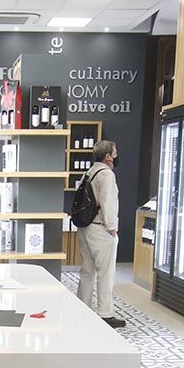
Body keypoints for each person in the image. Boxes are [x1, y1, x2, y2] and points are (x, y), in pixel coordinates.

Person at [77, 140, 125, 329]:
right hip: (100, 228)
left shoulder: (88, 173)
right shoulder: (106, 174)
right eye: (115, 152)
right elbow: (108, 202)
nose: (116, 156)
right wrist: (111, 227)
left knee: (87, 271)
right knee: (106, 273)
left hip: (85, 227)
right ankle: (105, 313)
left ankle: (82, 307)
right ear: (108, 156)